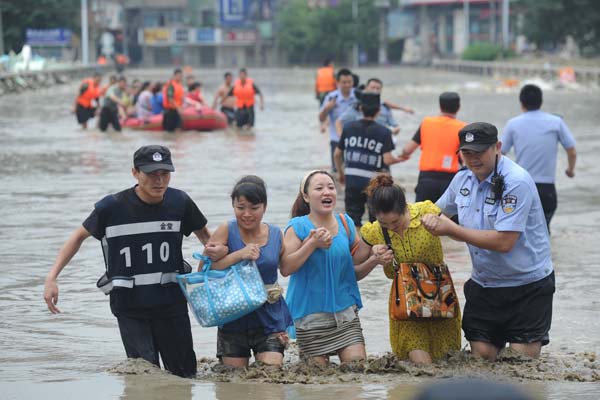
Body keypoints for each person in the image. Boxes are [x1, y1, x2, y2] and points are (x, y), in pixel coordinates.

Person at [43, 145, 227, 377]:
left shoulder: (180, 202)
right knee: (145, 376)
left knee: (184, 376)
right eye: (151, 174)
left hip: (171, 304)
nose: (159, 181)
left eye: (165, 174)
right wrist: (52, 277)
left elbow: (206, 239)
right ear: (135, 173)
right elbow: (78, 237)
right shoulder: (111, 207)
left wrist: (224, 261)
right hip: (130, 308)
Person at [421, 122, 555, 362]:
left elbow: (504, 242)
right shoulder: (462, 180)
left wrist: (452, 229)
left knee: (520, 364)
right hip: (485, 285)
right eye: (467, 153)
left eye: (479, 152)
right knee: (482, 360)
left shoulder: (516, 181)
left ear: (497, 147)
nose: (473, 159)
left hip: (527, 286)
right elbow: (430, 213)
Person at [280, 170, 384, 365]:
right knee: (317, 383)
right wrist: (312, 244)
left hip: (345, 315)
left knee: (357, 373)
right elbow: (285, 268)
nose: (326, 192)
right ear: (305, 196)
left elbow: (352, 273)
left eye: (331, 187)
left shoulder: (346, 223)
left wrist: (374, 260)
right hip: (310, 319)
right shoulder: (298, 227)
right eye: (319, 188)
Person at [358, 175, 461, 364]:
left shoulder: (426, 211)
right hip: (405, 304)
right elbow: (352, 267)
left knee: (447, 360)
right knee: (422, 364)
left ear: (405, 208)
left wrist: (442, 226)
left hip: (439, 297)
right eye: (384, 224)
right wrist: (374, 257)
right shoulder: (373, 231)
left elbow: (460, 236)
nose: (391, 228)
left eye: (395, 223)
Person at [205, 176, 293, 368]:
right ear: (233, 206)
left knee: (271, 379)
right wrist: (239, 254)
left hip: (270, 317)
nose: (246, 214)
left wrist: (312, 243)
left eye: (254, 208)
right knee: (234, 385)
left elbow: (287, 269)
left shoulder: (277, 233)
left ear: (265, 207)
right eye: (240, 207)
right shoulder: (226, 229)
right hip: (233, 318)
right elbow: (205, 271)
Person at [501, 84, 577, 231]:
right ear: (541, 102)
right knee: (544, 231)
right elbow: (571, 151)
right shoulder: (556, 122)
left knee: (521, 233)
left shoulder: (513, 124)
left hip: (522, 186)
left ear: (521, 103)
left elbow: (500, 153)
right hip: (547, 189)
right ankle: (551, 254)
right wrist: (570, 170)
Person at [333, 92, 405, 227]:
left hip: (352, 180)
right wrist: (402, 158)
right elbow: (388, 160)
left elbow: (337, 155)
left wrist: (341, 174)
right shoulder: (384, 132)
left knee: (352, 223)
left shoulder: (348, 128)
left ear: (360, 108)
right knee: (377, 223)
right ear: (378, 111)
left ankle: (355, 247)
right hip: (374, 184)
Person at [399, 92, 467, 202]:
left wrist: (402, 156)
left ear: (440, 106)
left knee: (421, 215)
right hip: (450, 180)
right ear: (458, 107)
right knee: (447, 216)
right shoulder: (462, 128)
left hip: (426, 178)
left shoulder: (427, 123)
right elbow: (466, 158)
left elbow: (407, 150)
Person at [335, 78, 402, 137]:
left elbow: (395, 126)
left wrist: (391, 132)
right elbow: (339, 122)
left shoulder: (385, 108)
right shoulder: (357, 107)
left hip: (379, 146)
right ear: (366, 88)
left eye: (378, 88)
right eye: (372, 88)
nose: (375, 91)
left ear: (381, 90)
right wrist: (342, 141)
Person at [319, 68, 356, 172]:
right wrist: (327, 108)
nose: (347, 85)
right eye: (344, 82)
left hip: (355, 141)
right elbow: (321, 118)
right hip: (336, 141)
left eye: (350, 82)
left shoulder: (358, 96)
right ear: (337, 83)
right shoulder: (331, 97)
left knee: (353, 171)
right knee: (337, 172)